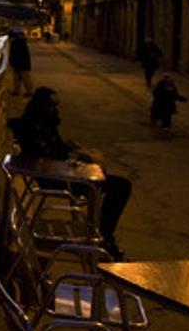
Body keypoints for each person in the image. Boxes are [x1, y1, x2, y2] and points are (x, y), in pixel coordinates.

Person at [8, 86, 132, 259]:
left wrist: (76, 154)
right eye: (53, 104)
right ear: (43, 105)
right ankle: (105, 237)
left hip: (60, 174)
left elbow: (57, 150)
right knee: (121, 186)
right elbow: (50, 155)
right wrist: (76, 160)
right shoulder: (37, 127)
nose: (56, 109)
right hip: (58, 180)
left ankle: (105, 236)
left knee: (108, 177)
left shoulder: (42, 123)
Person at [7, 27, 33, 96]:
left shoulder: (17, 43)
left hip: (21, 63)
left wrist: (12, 61)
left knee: (24, 77)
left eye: (10, 37)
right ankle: (17, 90)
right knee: (17, 77)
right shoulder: (20, 42)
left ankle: (28, 91)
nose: (9, 39)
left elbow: (15, 54)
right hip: (20, 63)